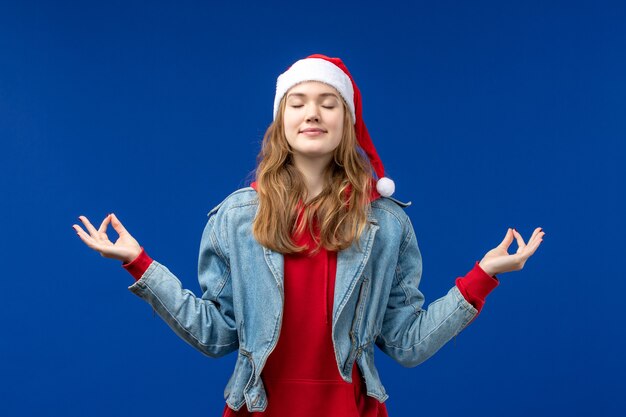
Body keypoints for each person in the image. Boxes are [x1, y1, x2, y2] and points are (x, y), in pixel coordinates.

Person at [73, 54, 545, 416]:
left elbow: (407, 343)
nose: (312, 113)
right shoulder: (237, 218)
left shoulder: (385, 223)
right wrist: (139, 262)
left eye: (328, 103)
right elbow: (216, 335)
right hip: (259, 407)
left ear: (347, 122)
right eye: (298, 103)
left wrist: (483, 275)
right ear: (282, 120)